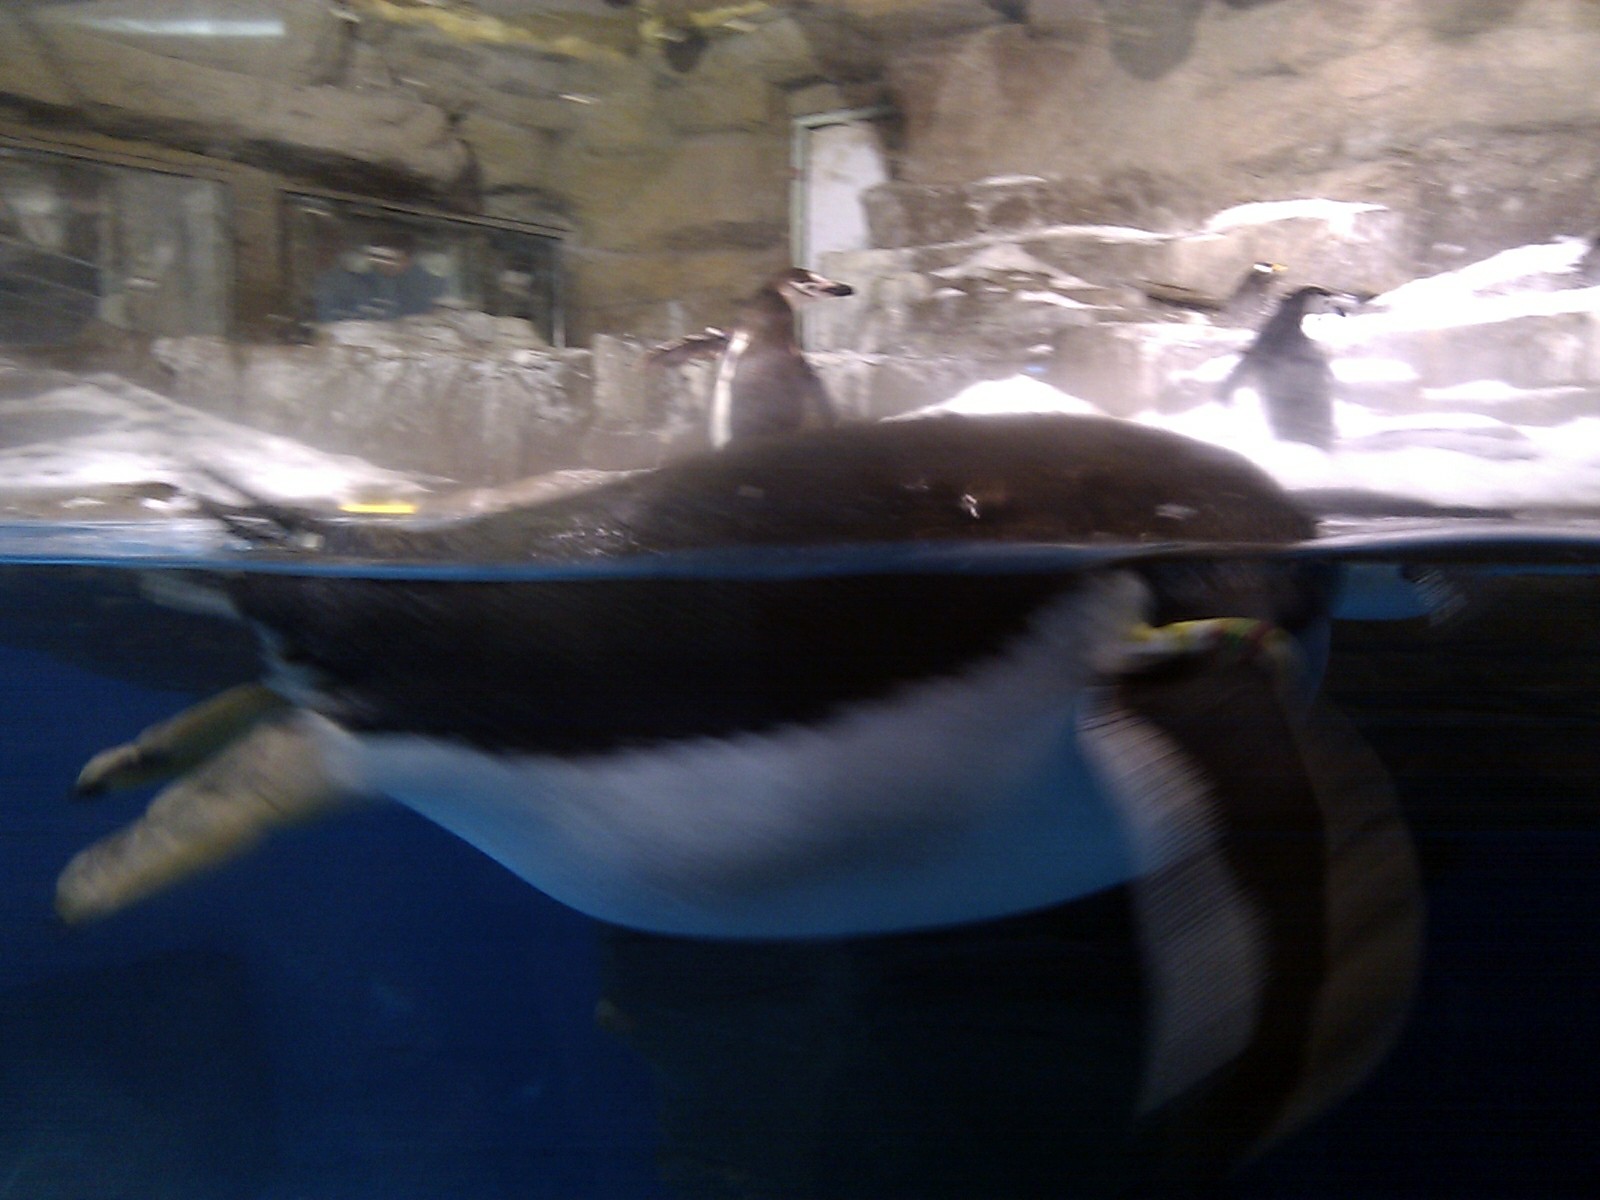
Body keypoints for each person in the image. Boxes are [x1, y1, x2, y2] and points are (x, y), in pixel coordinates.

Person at [313, 225, 445, 323]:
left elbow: (441, 320)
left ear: (408, 259)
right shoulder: (352, 282)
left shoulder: (433, 287)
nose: (383, 264)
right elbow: (329, 319)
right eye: (377, 258)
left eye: (391, 259)